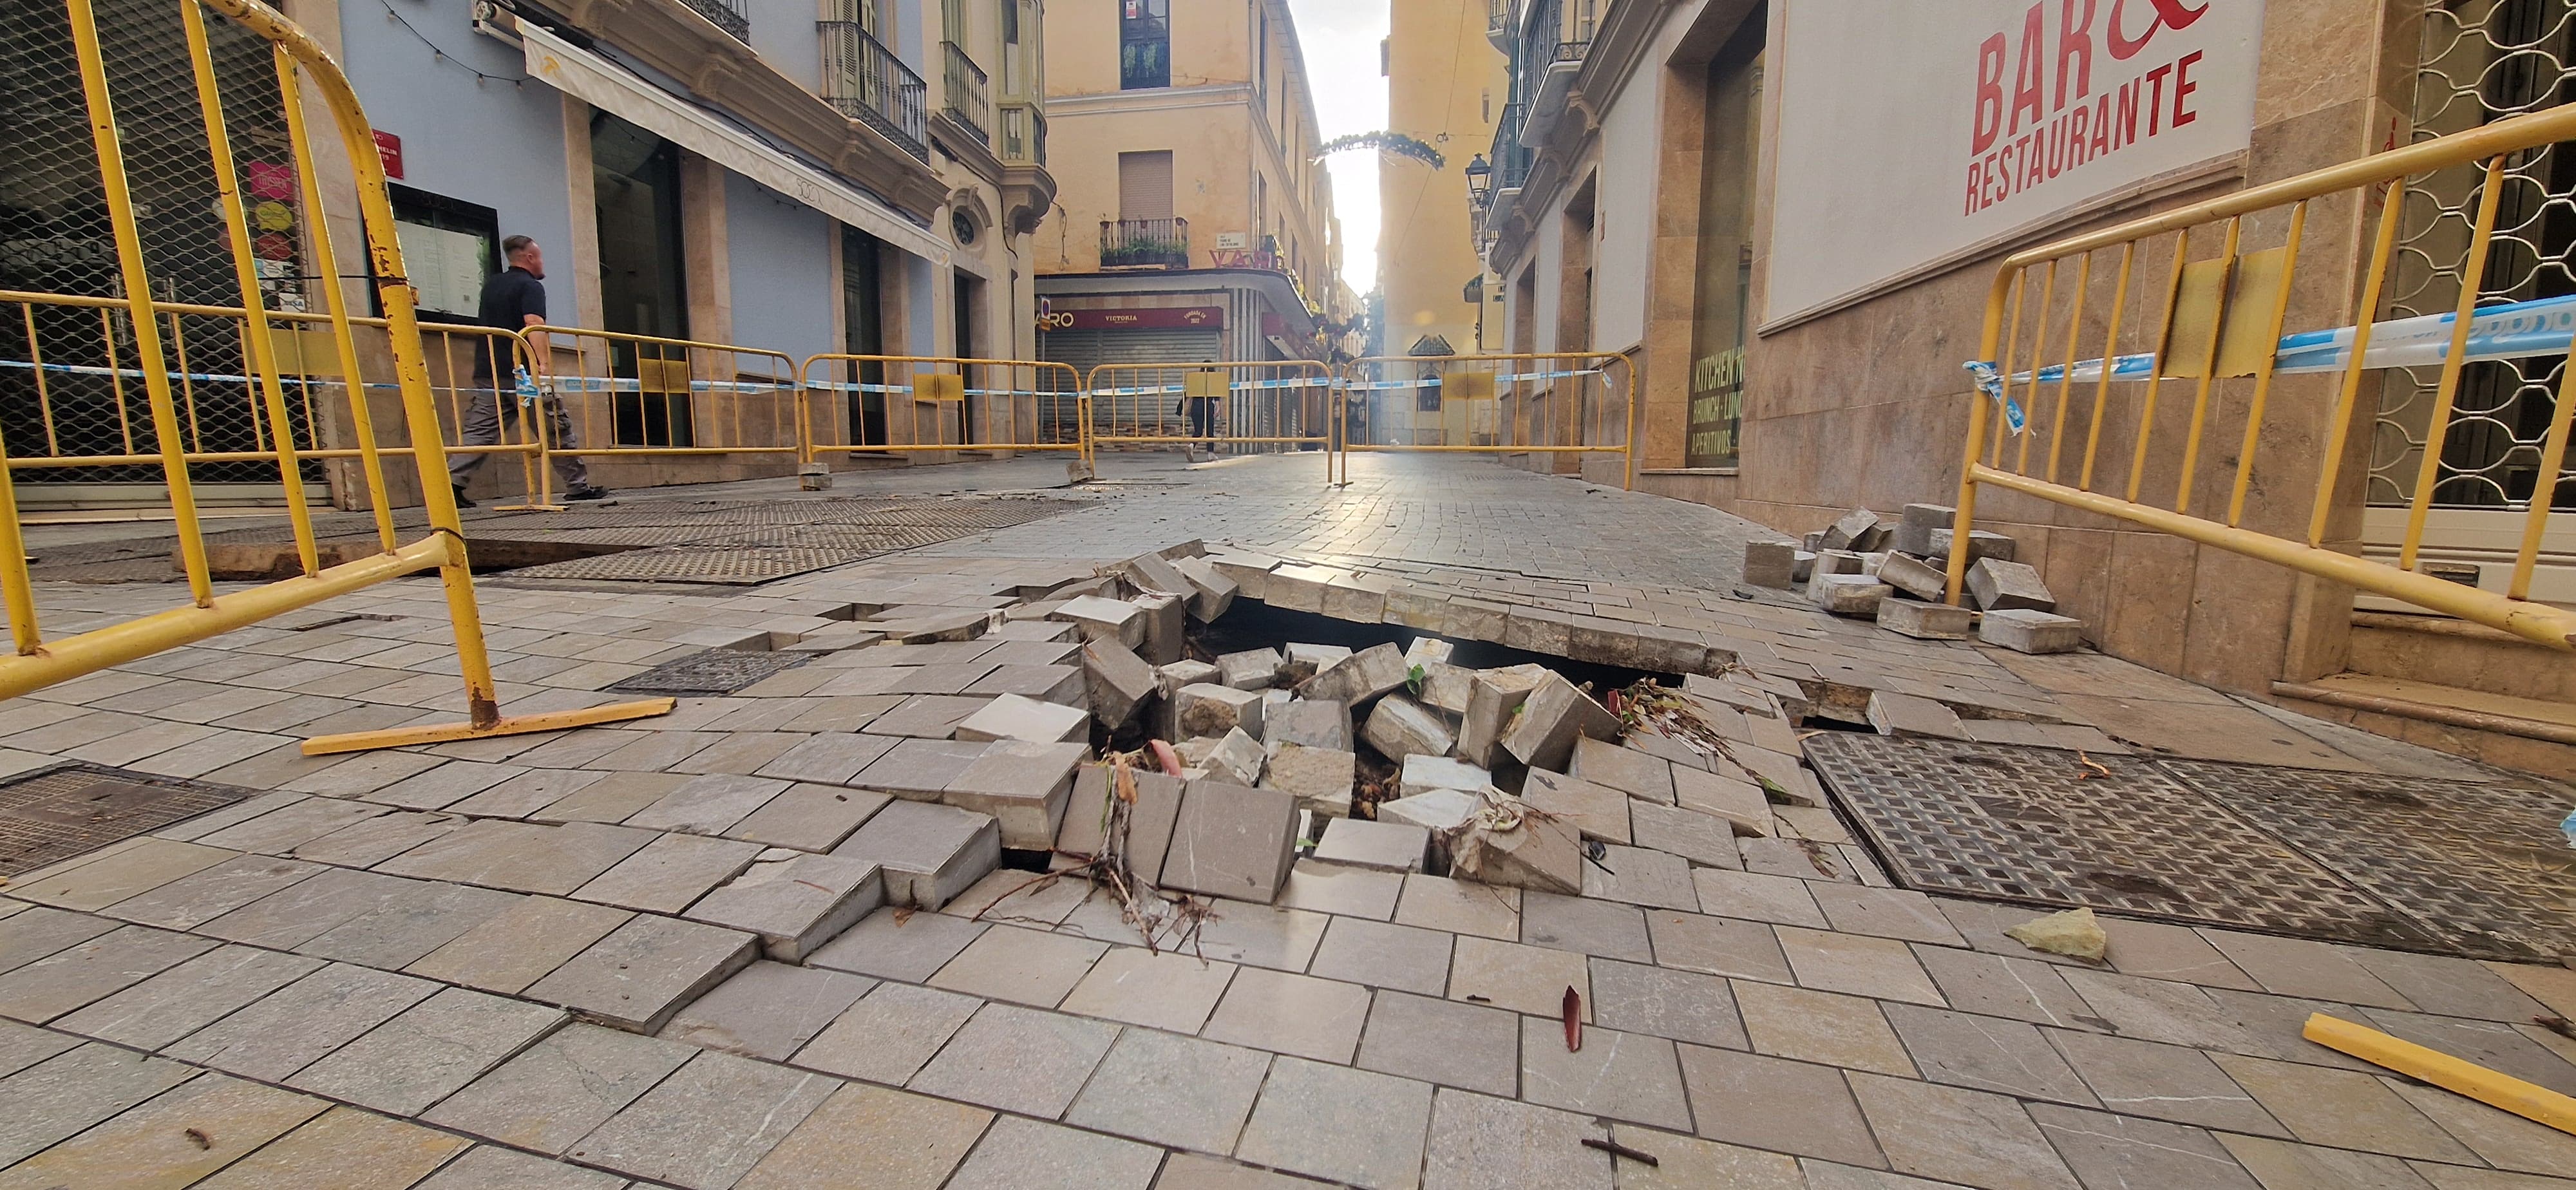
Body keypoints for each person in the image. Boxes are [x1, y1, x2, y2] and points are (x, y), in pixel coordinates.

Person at [450, 236, 606, 505]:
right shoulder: (530, 286)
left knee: (480, 431)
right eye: (540, 256)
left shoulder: (492, 285)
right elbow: (533, 324)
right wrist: (542, 364)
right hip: (523, 374)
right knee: (555, 427)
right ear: (529, 258)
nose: (543, 262)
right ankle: (577, 486)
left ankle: (452, 484)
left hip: (489, 370)